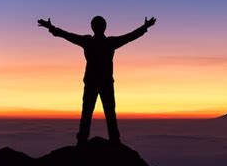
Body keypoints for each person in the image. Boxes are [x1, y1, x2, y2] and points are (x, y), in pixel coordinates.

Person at [37, 15, 156, 145]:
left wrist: (51, 28)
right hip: (104, 83)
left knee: (88, 112)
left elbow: (67, 35)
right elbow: (129, 37)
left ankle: (83, 139)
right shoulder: (109, 42)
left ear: (92, 27)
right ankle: (113, 140)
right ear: (104, 27)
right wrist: (145, 27)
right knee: (108, 112)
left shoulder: (88, 41)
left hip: (92, 82)